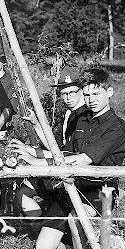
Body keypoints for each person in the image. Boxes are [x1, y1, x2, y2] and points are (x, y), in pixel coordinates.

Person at [10, 68, 125, 249]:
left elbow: (81, 160)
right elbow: (64, 154)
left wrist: (35, 162)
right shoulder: (81, 119)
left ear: (109, 92)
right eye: (88, 94)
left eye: (96, 94)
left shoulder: (117, 128)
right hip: (72, 186)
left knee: (76, 218)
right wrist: (34, 152)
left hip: (100, 193)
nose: (91, 99)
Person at [16, 66, 88, 221]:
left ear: (81, 90)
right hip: (60, 167)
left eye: (72, 92)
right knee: (22, 192)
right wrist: (34, 128)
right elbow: (55, 148)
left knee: (28, 190)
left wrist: (34, 159)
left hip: (76, 178)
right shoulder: (69, 113)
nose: (68, 97)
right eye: (64, 93)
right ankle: (39, 226)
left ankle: (49, 229)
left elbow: (71, 156)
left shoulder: (86, 117)